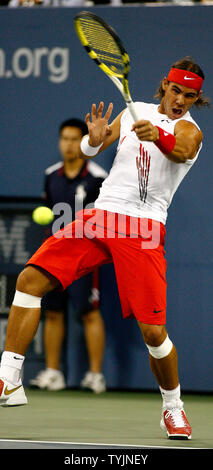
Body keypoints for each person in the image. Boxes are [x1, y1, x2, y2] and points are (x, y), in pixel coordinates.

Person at [0, 56, 209, 440]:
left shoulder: (190, 131)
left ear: (197, 99)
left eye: (190, 96)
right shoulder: (135, 114)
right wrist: (92, 140)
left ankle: (173, 407)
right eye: (176, 90)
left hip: (144, 228)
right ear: (164, 84)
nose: (180, 100)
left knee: (153, 333)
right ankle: (9, 379)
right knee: (30, 280)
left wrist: (157, 136)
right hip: (102, 214)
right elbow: (93, 149)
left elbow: (179, 150)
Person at [29, 118, 108, 393]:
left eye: (75, 139)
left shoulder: (98, 177)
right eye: (65, 139)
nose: (69, 145)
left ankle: (95, 376)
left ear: (84, 141)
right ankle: (53, 373)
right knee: (52, 312)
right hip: (55, 254)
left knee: (88, 313)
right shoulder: (51, 175)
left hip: (86, 257)